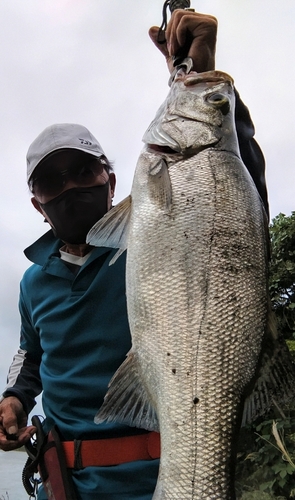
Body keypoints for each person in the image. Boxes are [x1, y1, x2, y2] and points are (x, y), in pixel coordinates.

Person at [0, 9, 268, 500]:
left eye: (83, 171)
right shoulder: (31, 283)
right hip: (64, 485)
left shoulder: (148, 239)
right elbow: (29, 353)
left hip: (161, 477)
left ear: (112, 180)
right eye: (50, 182)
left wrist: (204, 76)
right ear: (37, 205)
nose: (69, 187)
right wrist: (15, 397)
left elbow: (231, 209)